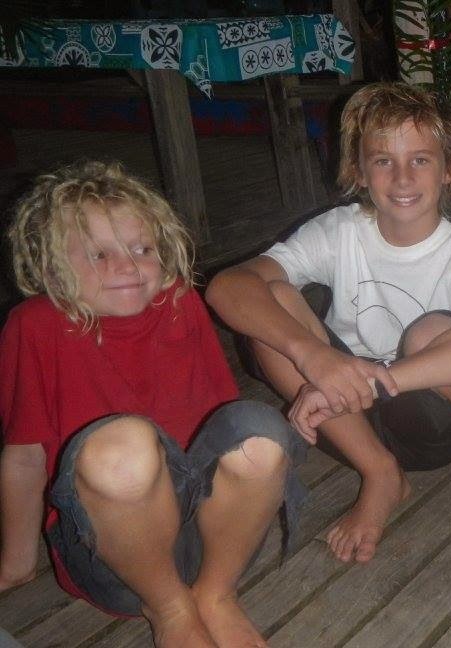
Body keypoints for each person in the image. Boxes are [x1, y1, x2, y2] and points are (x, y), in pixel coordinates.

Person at [205, 83, 451, 563]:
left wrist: (374, 381)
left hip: (436, 423)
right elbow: (227, 287)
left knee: (431, 333)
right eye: (383, 161)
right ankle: (380, 473)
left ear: (449, 169)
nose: (401, 178)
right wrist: (313, 356)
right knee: (272, 299)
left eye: (420, 160)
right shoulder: (340, 231)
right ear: (359, 170)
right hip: (345, 421)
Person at [0, 160, 305, 647]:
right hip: (111, 558)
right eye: (99, 255)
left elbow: (224, 423)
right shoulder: (33, 325)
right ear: (52, 265)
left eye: (142, 249)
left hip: (209, 546)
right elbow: (24, 457)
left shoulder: (179, 301)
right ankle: (170, 609)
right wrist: (17, 561)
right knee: (123, 445)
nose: (127, 266)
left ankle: (216, 594)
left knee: (259, 430)